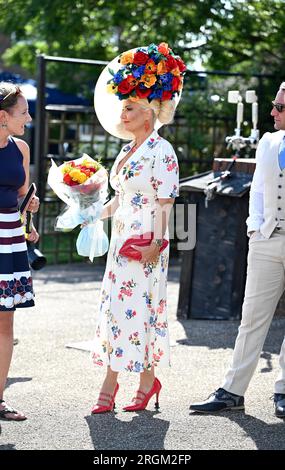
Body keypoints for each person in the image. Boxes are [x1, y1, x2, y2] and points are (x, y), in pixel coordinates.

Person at [91, 42, 186, 413]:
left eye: (130, 107)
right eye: (124, 107)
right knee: (118, 307)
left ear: (148, 114)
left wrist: (157, 245)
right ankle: (135, 380)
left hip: (146, 241)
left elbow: (166, 203)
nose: (123, 112)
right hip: (121, 241)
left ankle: (127, 381)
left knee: (140, 308)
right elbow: (120, 197)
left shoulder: (163, 152)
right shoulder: (127, 150)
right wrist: (89, 214)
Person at [190, 82, 285, 418]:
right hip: (268, 237)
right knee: (251, 317)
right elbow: (258, 189)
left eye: (280, 107)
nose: (273, 112)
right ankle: (232, 391)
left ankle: (283, 389)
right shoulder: (269, 142)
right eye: (274, 105)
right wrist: (254, 227)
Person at [0, 82, 39, 421]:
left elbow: (23, 192)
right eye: (23, 112)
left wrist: (29, 211)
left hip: (11, 236)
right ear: (3, 116)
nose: (28, 118)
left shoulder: (21, 148)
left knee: (5, 325)